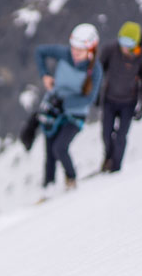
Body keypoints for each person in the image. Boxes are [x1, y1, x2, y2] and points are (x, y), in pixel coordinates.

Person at [34, 23, 104, 191]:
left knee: (60, 148)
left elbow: (89, 99)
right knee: (49, 151)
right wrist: (44, 75)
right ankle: (48, 187)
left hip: (74, 116)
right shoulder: (65, 54)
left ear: (90, 51)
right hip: (54, 110)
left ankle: (71, 179)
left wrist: (64, 104)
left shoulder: (95, 70)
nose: (74, 54)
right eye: (73, 49)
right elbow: (40, 51)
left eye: (79, 51)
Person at [98, 21, 142, 173]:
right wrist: (96, 94)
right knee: (106, 134)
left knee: (121, 136)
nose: (124, 48)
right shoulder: (110, 49)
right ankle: (108, 158)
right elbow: (98, 71)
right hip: (109, 99)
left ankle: (115, 168)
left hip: (128, 103)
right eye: (122, 42)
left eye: (128, 44)